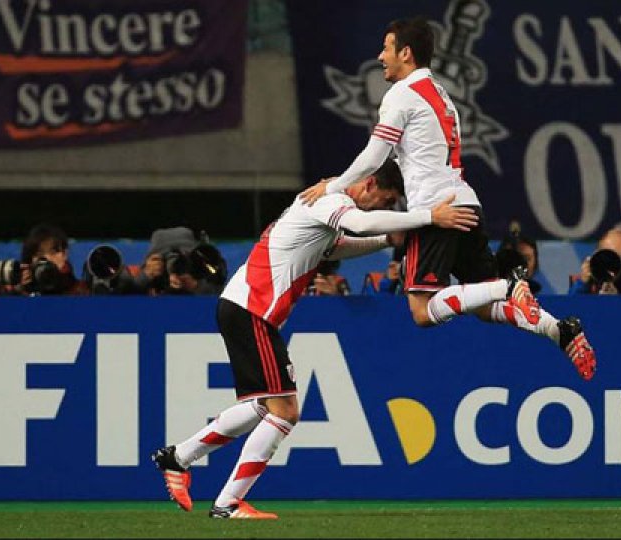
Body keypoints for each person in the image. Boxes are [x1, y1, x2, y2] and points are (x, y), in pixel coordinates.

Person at [151, 160, 478, 520]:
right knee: (285, 412)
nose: (384, 208)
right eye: (385, 200)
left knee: (265, 405)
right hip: (252, 309)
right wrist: (428, 217)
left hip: (247, 308)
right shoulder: (330, 198)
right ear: (369, 183)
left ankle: (178, 457)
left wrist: (387, 239)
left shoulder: (328, 201)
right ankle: (227, 503)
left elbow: (334, 248)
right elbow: (359, 224)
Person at [299, 16, 595, 380]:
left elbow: (374, 157)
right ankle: (558, 330)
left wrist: (331, 188)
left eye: (387, 48)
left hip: (436, 211)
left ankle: (510, 285)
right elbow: (410, 159)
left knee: (422, 311)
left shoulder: (402, 95)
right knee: (485, 306)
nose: (380, 56)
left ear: (405, 53)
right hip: (466, 204)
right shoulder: (442, 96)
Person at [12, 223, 88, 296]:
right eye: (39, 254)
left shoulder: (82, 292)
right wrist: (21, 291)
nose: (47, 258)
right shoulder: (20, 292)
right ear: (30, 259)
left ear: (64, 254)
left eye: (52, 252)